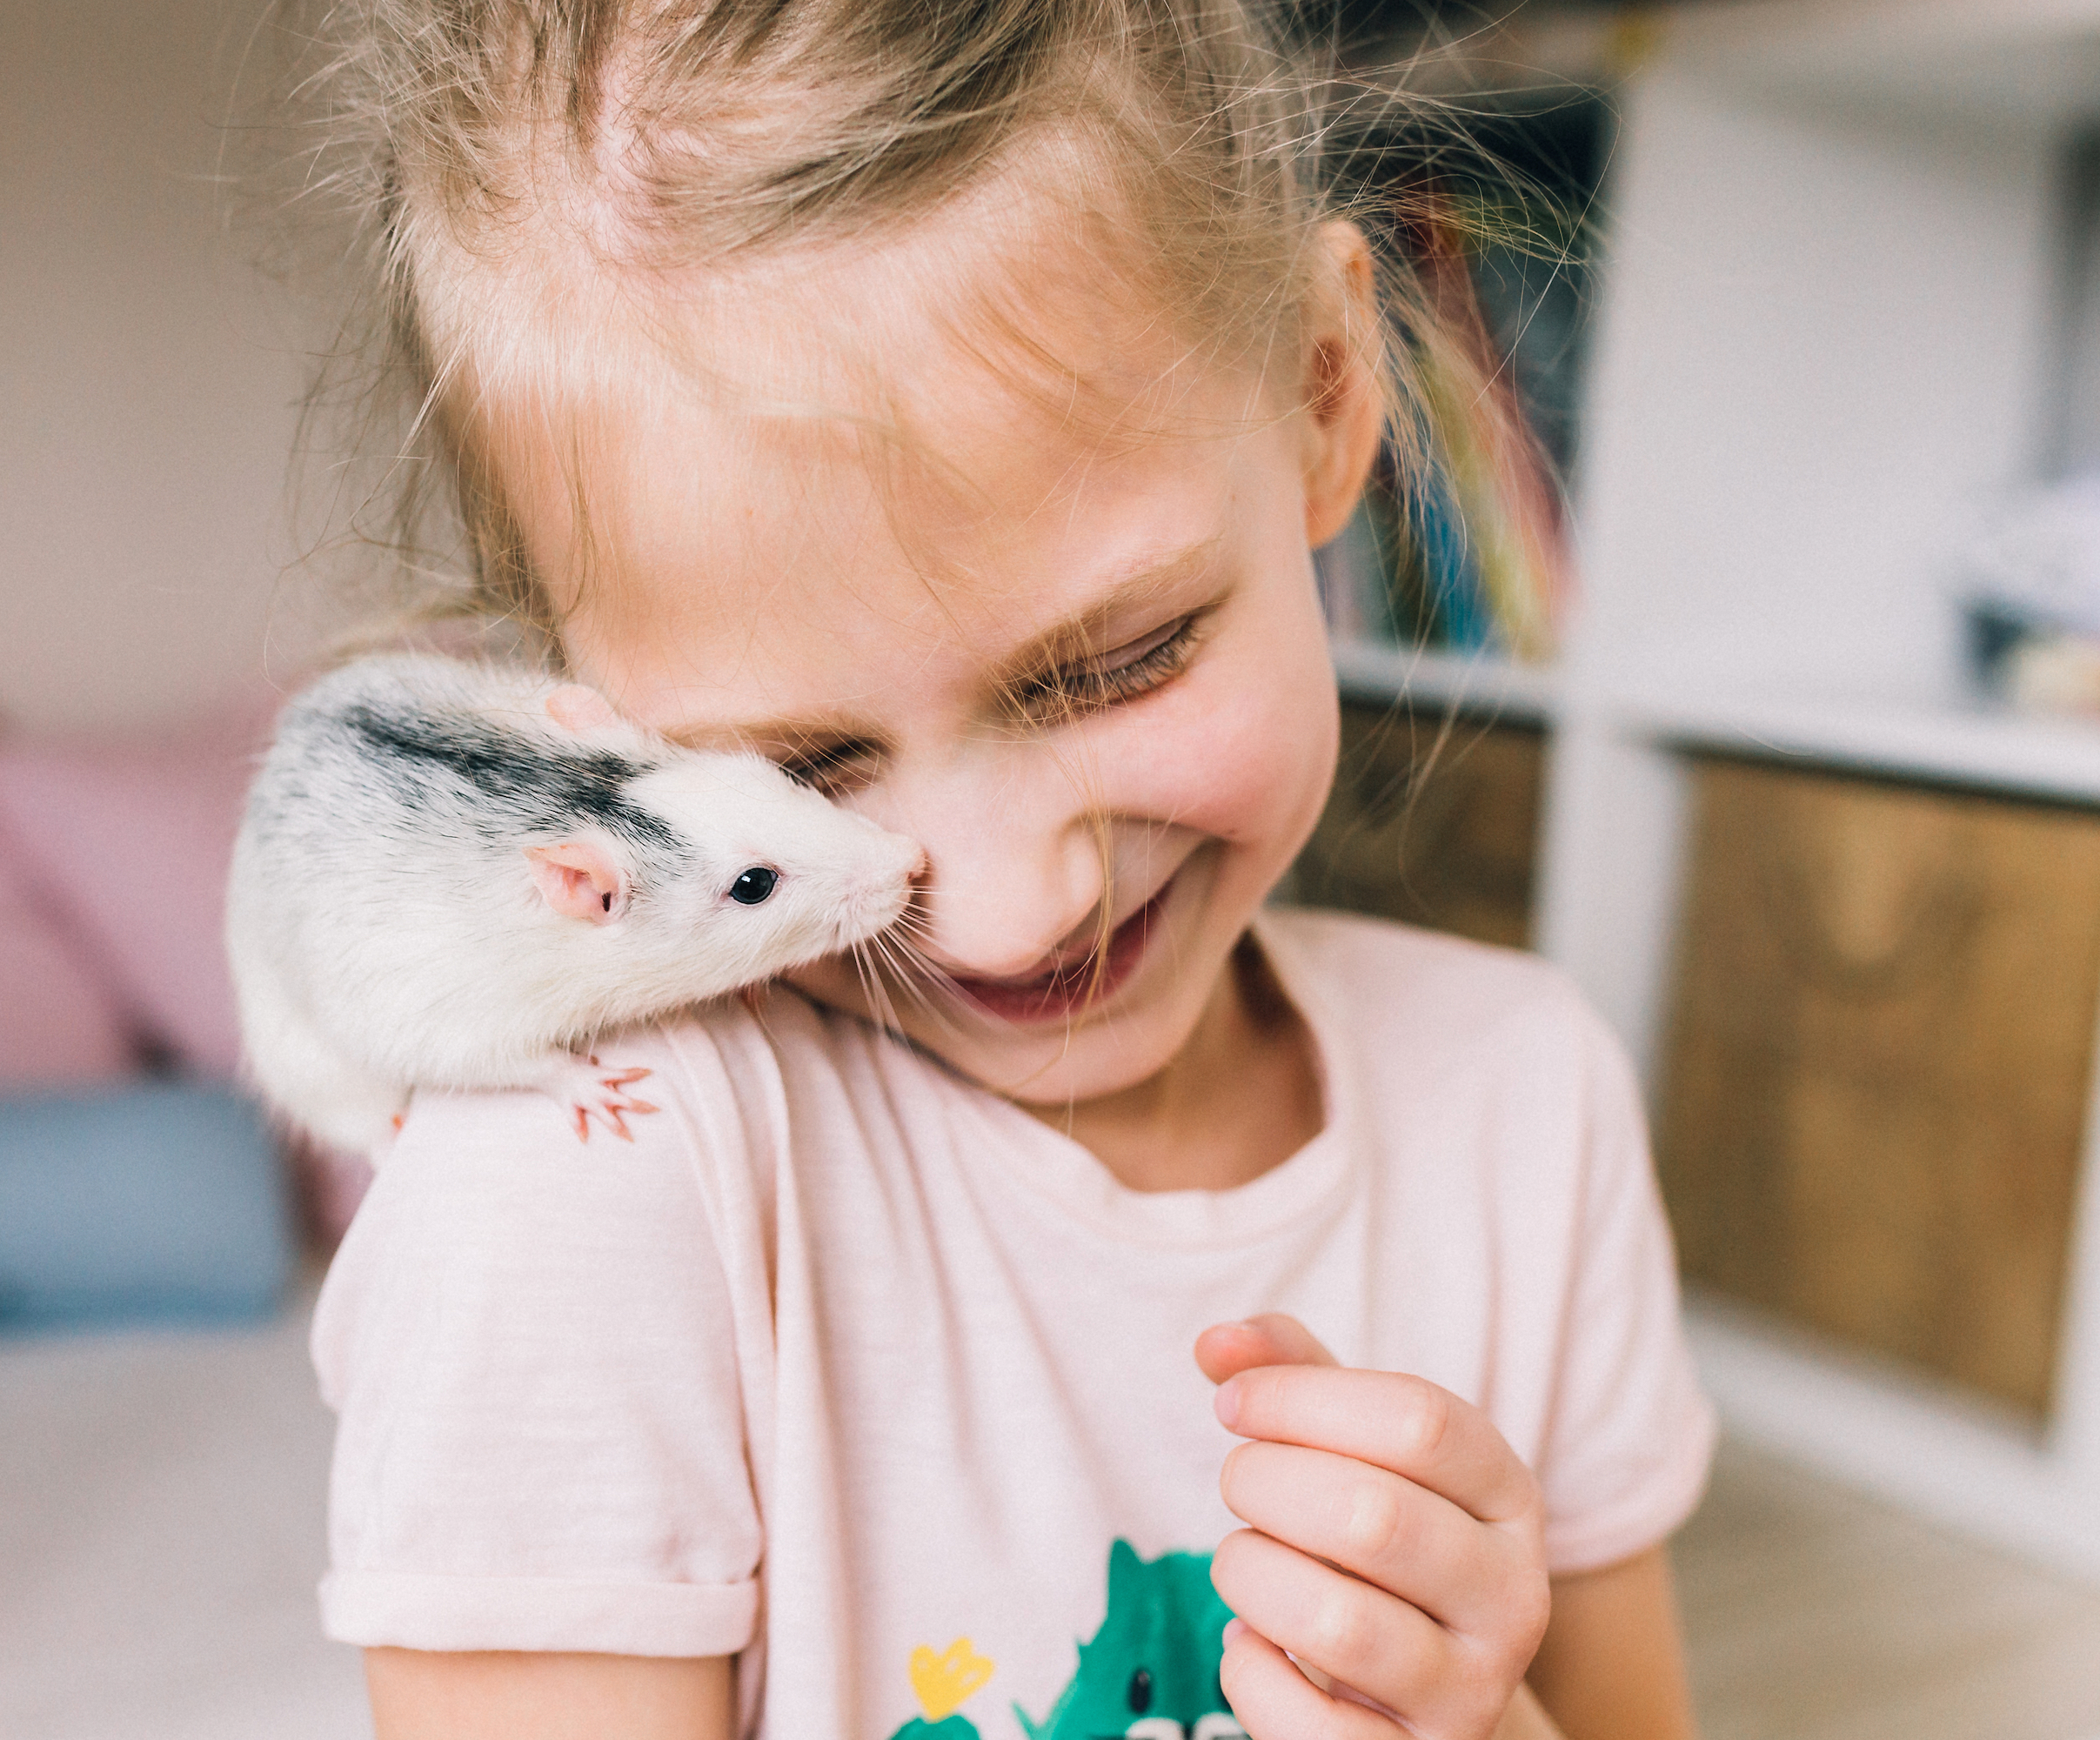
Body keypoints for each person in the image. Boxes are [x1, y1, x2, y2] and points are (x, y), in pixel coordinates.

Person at [290, 1, 1715, 1734]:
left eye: (1119, 662)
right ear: (582, 729)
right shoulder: (577, 1200)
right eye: (797, 771)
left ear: (1331, 396)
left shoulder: (1525, 1100)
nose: (1012, 902)